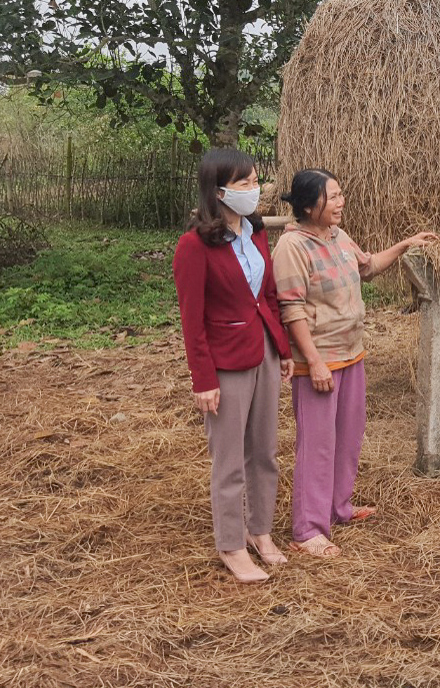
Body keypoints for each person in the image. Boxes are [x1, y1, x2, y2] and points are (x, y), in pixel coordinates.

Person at [272, 168, 437, 558]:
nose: (341, 202)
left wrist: (404, 244)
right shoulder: (291, 248)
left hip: (352, 354)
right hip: (320, 360)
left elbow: (366, 267)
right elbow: (291, 309)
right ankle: (308, 529)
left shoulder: (338, 237)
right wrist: (313, 363)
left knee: (347, 436)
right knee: (318, 444)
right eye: (332, 197)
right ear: (309, 205)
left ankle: (338, 508)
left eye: (341, 194)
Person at [173, 149, 294, 584]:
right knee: (229, 459)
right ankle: (231, 544)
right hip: (224, 359)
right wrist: (203, 379)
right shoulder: (194, 246)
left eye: (255, 181)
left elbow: (268, 296)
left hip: (262, 347)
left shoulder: (256, 231)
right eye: (244, 184)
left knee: (264, 450)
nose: (254, 190)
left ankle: (260, 531)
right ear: (218, 190)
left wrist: (282, 349)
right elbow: (192, 320)